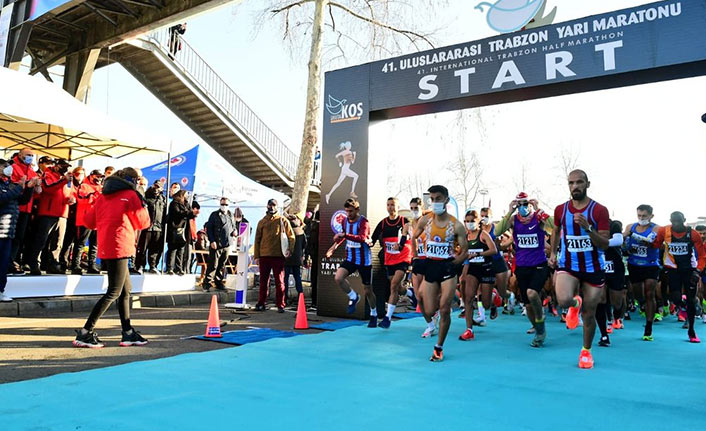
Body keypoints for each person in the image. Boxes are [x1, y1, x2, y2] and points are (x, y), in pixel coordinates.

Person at [72, 168, 151, 348]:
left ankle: (128, 331)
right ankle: (86, 331)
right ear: (133, 180)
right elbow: (143, 222)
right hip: (121, 244)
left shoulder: (103, 195)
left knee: (125, 290)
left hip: (107, 244)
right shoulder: (131, 195)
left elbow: (89, 222)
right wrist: (142, 202)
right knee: (115, 291)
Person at [549, 169, 610, 369]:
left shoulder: (599, 210)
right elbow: (556, 230)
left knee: (590, 314)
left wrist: (588, 228)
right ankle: (574, 304)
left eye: (579, 182)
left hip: (593, 267)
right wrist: (553, 252)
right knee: (563, 299)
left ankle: (586, 351)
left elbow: (604, 244)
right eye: (571, 183)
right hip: (569, 264)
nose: (575, 186)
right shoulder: (561, 209)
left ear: (587, 184)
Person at [412, 185, 468, 362]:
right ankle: (433, 320)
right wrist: (416, 256)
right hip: (430, 265)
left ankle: (439, 347)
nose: (435, 202)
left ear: (446, 199)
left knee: (445, 309)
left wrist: (455, 264)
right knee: (427, 307)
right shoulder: (425, 220)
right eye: (432, 199)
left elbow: (465, 250)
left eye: (438, 199)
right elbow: (414, 236)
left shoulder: (456, 224)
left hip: (447, 268)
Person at [495, 193, 552, 347]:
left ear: (530, 204)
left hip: (539, 264)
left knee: (532, 293)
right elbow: (497, 232)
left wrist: (539, 209)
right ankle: (538, 327)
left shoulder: (538, 219)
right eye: (519, 204)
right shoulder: (514, 220)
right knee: (527, 305)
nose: (522, 207)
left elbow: (554, 227)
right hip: (522, 266)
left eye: (525, 203)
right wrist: (509, 211)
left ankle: (541, 324)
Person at [652, 211, 706, 343]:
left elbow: (702, 256)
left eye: (679, 221)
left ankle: (692, 331)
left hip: (689, 269)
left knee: (691, 298)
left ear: (684, 220)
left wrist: (698, 271)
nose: (676, 224)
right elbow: (656, 245)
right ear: (670, 221)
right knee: (675, 296)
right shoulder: (664, 231)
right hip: (672, 269)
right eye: (673, 221)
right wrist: (646, 242)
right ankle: (683, 306)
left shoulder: (693, 234)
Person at [327, 198, 376, 324]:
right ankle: (353, 296)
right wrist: (333, 248)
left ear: (357, 210)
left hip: (364, 261)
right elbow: (343, 236)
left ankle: (374, 313)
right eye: (347, 211)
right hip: (351, 258)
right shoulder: (344, 221)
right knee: (338, 277)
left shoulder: (363, 222)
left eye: (351, 211)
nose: (349, 214)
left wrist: (344, 235)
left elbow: (361, 238)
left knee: (368, 291)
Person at [371, 197, 416, 329]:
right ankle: (409, 293)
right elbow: (373, 238)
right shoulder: (383, 223)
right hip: (389, 259)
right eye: (388, 205)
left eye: (393, 205)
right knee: (395, 286)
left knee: (394, 285)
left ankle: (387, 318)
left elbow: (409, 235)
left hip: (403, 257)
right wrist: (368, 242)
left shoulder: (404, 221)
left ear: (397, 207)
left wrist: (401, 244)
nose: (391, 207)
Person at [26, 158, 74, 275]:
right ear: (57, 166)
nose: (65, 169)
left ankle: (53, 263)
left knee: (58, 242)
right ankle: (34, 263)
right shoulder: (47, 174)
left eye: (67, 166)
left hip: (62, 214)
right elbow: (47, 189)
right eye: (63, 166)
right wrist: (63, 181)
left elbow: (69, 192)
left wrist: (70, 199)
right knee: (41, 239)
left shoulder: (67, 179)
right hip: (48, 213)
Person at [622, 204, 661, 341]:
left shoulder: (656, 228)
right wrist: (625, 244)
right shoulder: (630, 226)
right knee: (638, 293)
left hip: (650, 265)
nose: (641, 218)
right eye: (639, 215)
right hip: (634, 264)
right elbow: (623, 241)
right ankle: (642, 304)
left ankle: (648, 327)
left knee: (650, 293)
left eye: (644, 216)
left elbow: (649, 243)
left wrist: (633, 235)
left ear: (651, 216)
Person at [0, 159, 37, 301]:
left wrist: (28, 188)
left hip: (8, 231)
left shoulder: (10, 185)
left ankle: (1, 290)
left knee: (3, 264)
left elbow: (22, 200)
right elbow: (2, 198)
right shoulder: (10, 187)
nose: (8, 169)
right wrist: (19, 188)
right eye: (4, 166)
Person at [459, 210, 497, 341]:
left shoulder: (483, 234)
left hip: (486, 268)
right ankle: (469, 330)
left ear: (477, 221)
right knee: (469, 298)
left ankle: (493, 301)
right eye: (467, 221)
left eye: (472, 221)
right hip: (473, 269)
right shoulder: (465, 237)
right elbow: (462, 252)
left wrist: (479, 254)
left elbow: (493, 250)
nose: (469, 224)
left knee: (485, 304)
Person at [254, 199, 294, 312]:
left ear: (277, 206)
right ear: (267, 206)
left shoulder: (282, 220)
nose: (271, 207)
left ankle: (280, 304)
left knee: (279, 281)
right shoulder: (262, 222)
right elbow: (257, 240)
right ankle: (261, 303)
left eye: (274, 205)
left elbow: (291, 237)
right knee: (263, 282)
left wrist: (289, 250)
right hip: (264, 256)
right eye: (270, 205)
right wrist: (257, 256)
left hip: (278, 256)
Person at [9, 148, 41, 274]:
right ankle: (8, 261)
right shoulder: (13, 167)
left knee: (19, 237)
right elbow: (12, 184)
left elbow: (37, 192)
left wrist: (37, 186)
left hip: (27, 208)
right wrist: (28, 184)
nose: (30, 157)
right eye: (28, 155)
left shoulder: (32, 171)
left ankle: (12, 261)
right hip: (15, 206)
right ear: (20, 155)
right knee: (11, 236)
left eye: (32, 155)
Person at [596, 220, 626, 347]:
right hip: (598, 265)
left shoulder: (613, 225)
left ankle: (617, 316)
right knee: (600, 299)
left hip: (615, 265)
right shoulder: (589, 225)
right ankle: (604, 334)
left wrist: (600, 242)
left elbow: (618, 240)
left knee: (616, 302)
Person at [481, 206, 511, 319]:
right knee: (481, 292)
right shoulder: (479, 230)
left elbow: (511, 237)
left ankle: (510, 296)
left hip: (497, 260)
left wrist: (501, 246)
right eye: (482, 216)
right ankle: (483, 312)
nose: (484, 218)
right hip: (484, 262)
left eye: (486, 216)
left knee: (502, 291)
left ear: (491, 217)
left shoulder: (496, 228)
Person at [71, 169, 103, 275]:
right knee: (80, 243)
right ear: (91, 176)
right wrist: (94, 195)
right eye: (97, 176)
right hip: (84, 219)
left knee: (94, 244)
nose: (99, 178)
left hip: (97, 220)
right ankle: (75, 265)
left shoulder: (101, 188)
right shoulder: (84, 185)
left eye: (100, 177)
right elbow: (81, 200)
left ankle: (92, 264)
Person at [203, 197, 235, 291]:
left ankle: (218, 282)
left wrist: (234, 231)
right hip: (217, 243)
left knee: (222, 264)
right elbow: (209, 228)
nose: (224, 206)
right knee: (213, 264)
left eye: (226, 204)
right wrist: (212, 240)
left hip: (227, 243)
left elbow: (233, 227)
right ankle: (207, 283)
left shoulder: (231, 215)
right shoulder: (214, 215)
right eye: (222, 204)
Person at [136, 181, 166, 274]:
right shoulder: (146, 196)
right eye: (155, 186)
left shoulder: (162, 199)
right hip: (147, 227)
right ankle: (140, 265)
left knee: (155, 249)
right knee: (143, 248)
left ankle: (153, 266)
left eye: (159, 187)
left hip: (158, 228)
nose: (156, 188)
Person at [59, 167, 83, 272]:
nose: (79, 176)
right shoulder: (69, 184)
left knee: (78, 242)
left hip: (79, 216)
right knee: (66, 240)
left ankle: (73, 263)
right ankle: (63, 261)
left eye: (81, 174)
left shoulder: (83, 186)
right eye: (77, 174)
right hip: (69, 215)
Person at [165, 190, 195, 275]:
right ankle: (169, 268)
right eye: (185, 194)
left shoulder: (187, 204)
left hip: (184, 230)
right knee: (173, 249)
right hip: (175, 229)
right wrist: (189, 213)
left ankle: (179, 268)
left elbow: (189, 214)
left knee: (181, 250)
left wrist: (193, 213)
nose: (187, 196)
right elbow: (178, 213)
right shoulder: (174, 203)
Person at [284, 212, 307, 305]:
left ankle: (284, 298)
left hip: (287, 258)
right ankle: (301, 297)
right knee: (297, 278)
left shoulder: (287, 232)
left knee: (285, 279)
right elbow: (305, 245)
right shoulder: (301, 232)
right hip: (297, 259)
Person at [304, 210, 320, 310]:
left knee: (314, 280)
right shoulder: (320, 227)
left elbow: (309, 243)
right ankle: (315, 301)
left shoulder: (312, 227)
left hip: (314, 255)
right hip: (320, 255)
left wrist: (307, 256)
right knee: (318, 279)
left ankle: (314, 301)